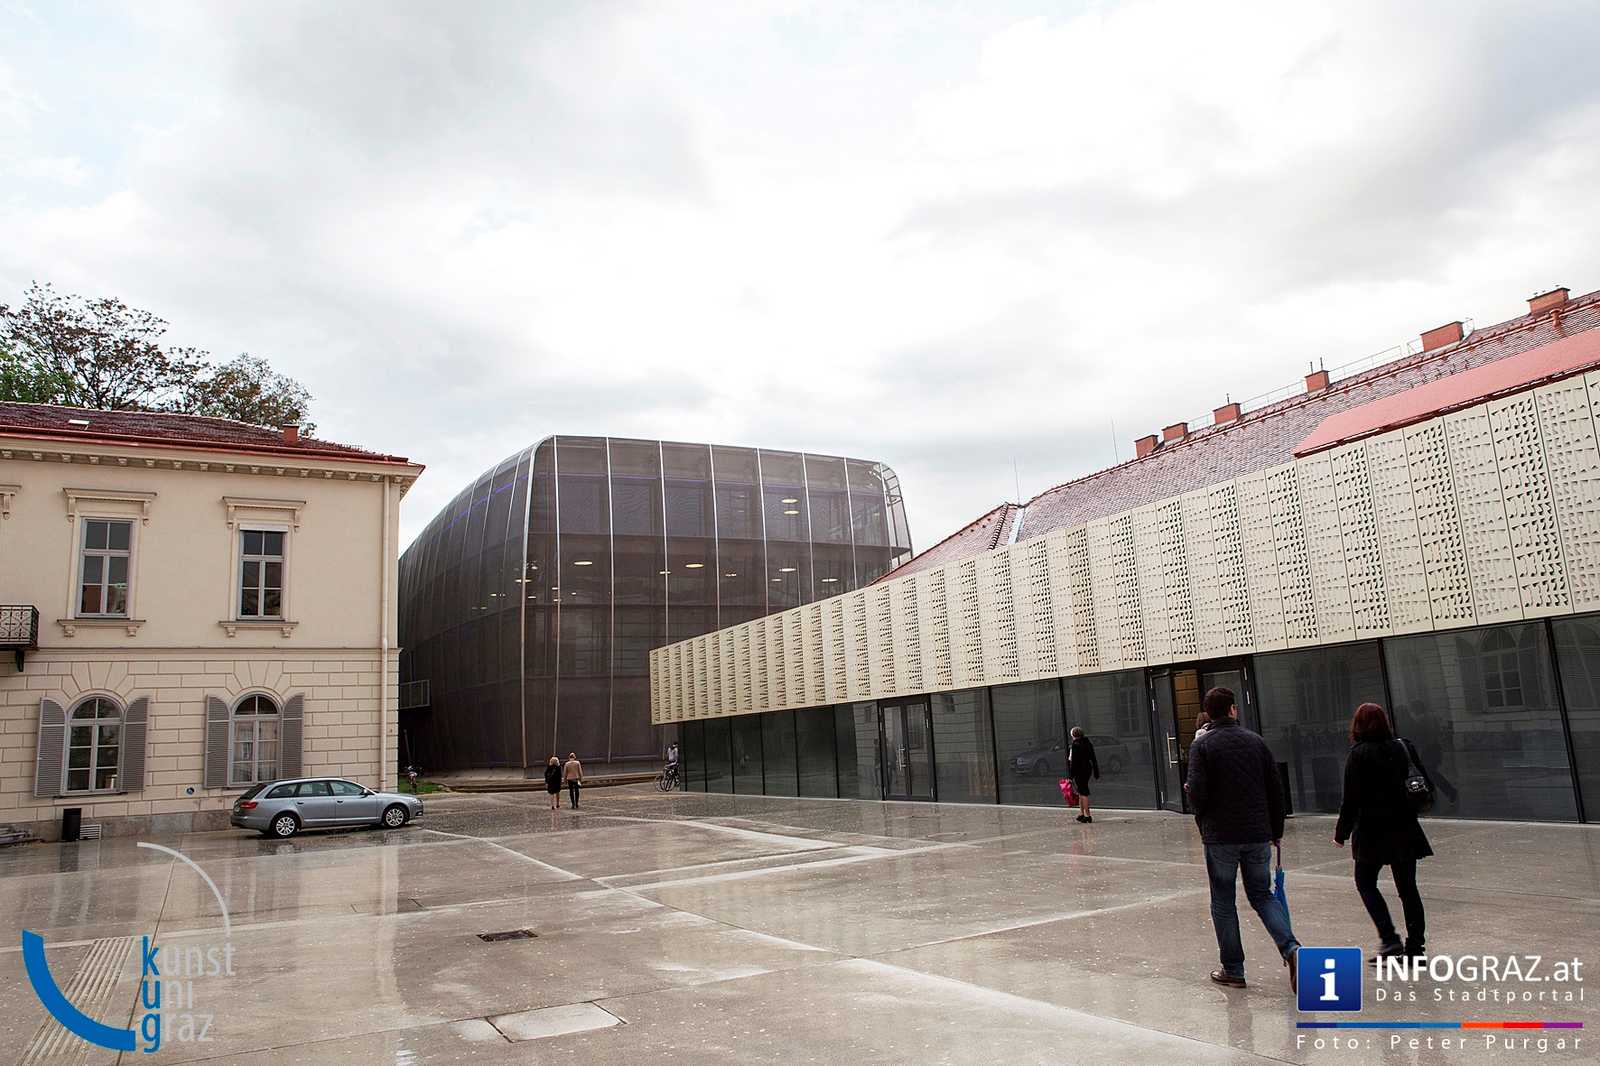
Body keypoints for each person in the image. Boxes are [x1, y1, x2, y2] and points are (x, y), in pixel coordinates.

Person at [1185, 686, 1300, 991]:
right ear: (1233, 710)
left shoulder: (1202, 746)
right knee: (1263, 895)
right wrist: (1276, 830)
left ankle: (1233, 969)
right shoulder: (1256, 742)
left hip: (1220, 835)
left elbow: (1196, 793)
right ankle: (1292, 949)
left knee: (1223, 901)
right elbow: (1275, 791)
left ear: (1209, 713)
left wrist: (1201, 813)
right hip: (1257, 833)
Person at [1334, 702, 1433, 962]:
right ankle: (1416, 948)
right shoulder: (1403, 747)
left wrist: (1341, 833)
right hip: (1404, 827)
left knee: (1365, 883)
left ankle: (1390, 940)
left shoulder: (1358, 755)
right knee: (1408, 889)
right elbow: (1423, 781)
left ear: (1357, 726)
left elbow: (1350, 800)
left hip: (1371, 831)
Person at [1067, 727, 1099, 823]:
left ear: (1073, 735)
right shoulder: (1087, 743)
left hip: (1079, 771)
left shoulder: (1075, 745)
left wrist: (1070, 776)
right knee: (1081, 792)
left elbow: (1074, 762)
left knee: (1083, 792)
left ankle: (1088, 816)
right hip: (1087, 769)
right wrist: (1096, 771)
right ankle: (1081, 813)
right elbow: (1093, 758)